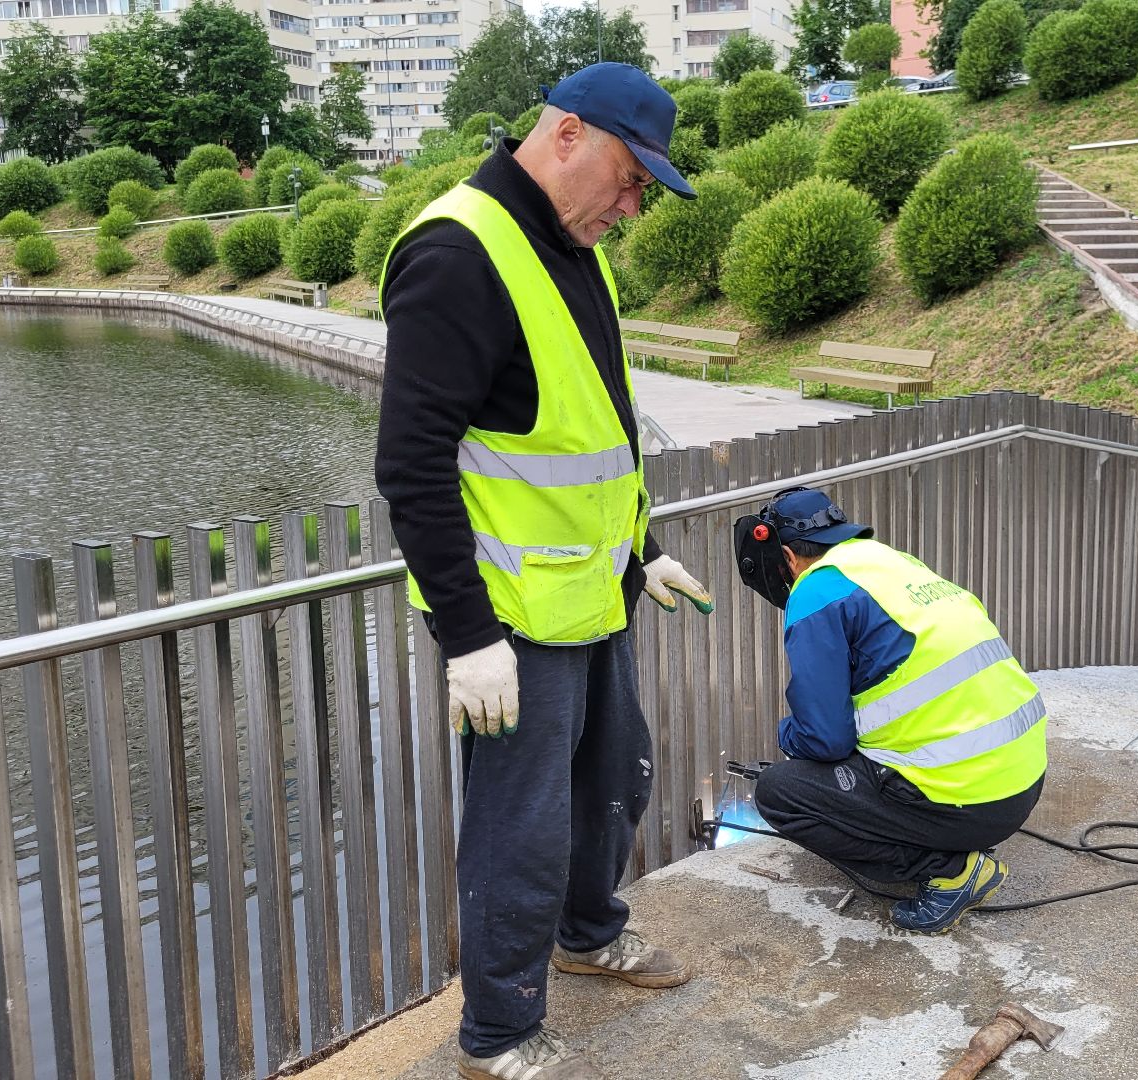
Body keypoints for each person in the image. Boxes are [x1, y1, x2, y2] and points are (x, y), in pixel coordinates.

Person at [374, 62, 713, 1080]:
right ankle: (499, 1035)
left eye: (645, 185)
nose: (632, 201)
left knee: (613, 783)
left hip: (593, 595)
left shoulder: (572, 244)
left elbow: (590, 431)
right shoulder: (457, 253)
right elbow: (412, 464)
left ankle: (588, 934)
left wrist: (644, 551)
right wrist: (468, 638)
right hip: (512, 622)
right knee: (516, 832)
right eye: (627, 174)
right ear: (566, 135)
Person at [732, 486, 1048, 934]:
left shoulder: (816, 590)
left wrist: (788, 738)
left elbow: (824, 739)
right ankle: (948, 838)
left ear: (786, 556)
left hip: (970, 802)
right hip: (1022, 783)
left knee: (780, 791)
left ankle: (952, 870)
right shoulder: (891, 563)